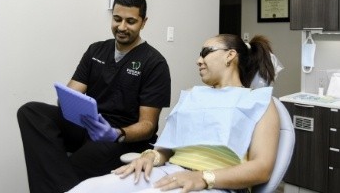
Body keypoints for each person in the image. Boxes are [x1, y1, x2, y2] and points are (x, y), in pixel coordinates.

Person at [66, 34, 281, 193]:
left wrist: (204, 177)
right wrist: (151, 156)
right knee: (87, 188)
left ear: (230, 55)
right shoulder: (191, 95)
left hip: (216, 184)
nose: (198, 60)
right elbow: (166, 149)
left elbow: (262, 168)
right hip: (170, 172)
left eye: (206, 52)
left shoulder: (259, 101)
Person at [17, 0, 171, 193]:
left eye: (130, 21)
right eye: (117, 19)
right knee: (30, 111)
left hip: (121, 136)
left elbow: (148, 125)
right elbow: (73, 91)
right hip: (90, 124)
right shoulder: (96, 50)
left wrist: (116, 133)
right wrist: (67, 102)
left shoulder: (154, 63)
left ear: (144, 22)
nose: (122, 27)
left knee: (66, 170)